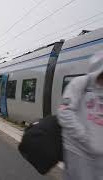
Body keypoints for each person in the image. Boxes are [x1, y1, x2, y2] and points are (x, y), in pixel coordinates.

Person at [57, 51, 103, 180]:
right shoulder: (80, 84)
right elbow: (64, 112)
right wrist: (85, 137)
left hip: (99, 154)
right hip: (77, 149)